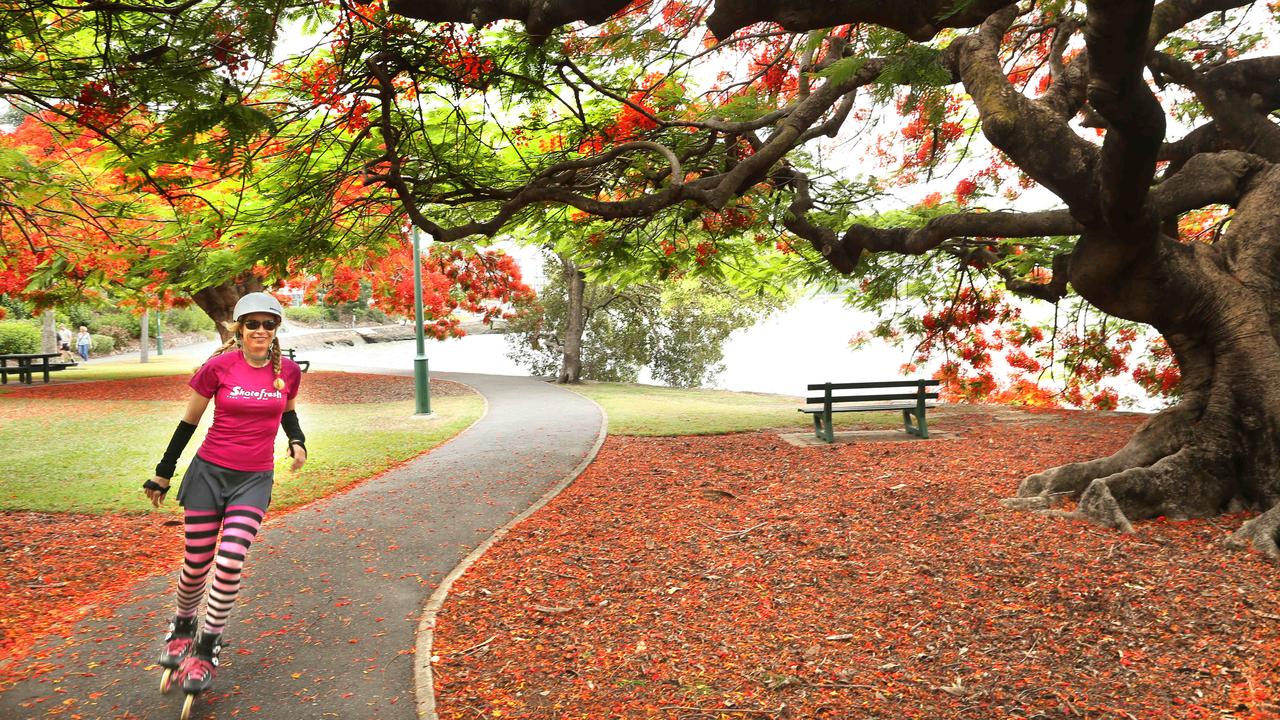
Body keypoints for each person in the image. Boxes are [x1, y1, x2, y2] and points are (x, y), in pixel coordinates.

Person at [142, 292, 307, 695]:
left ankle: (208, 644)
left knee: (231, 559)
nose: (261, 331)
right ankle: (182, 625)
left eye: (269, 324)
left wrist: (297, 441)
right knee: (197, 562)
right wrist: (163, 474)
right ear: (239, 327)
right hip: (208, 474)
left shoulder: (287, 371)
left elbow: (288, 411)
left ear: (276, 330)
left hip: (253, 479)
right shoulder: (217, 368)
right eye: (252, 323)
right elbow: (188, 423)